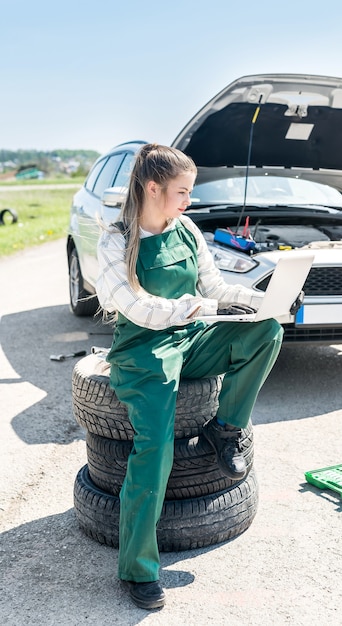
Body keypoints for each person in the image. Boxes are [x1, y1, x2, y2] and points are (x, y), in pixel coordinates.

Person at [95, 143, 283, 610]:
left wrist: (265, 300)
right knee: (154, 448)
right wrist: (204, 308)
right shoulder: (115, 240)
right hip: (143, 352)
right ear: (153, 188)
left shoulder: (187, 230)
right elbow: (138, 307)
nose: (188, 201)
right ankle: (137, 569)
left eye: (190, 192)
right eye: (182, 192)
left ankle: (225, 428)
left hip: (192, 338)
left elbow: (215, 288)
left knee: (267, 331)